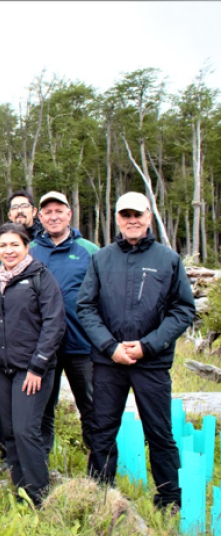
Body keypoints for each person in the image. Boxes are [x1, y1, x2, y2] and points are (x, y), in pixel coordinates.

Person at [77, 192, 194, 510]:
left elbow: (183, 310)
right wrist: (109, 346)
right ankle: (99, 497)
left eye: (138, 214)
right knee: (101, 431)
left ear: (148, 217)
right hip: (108, 361)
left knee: (159, 431)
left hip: (151, 362)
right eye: (125, 214)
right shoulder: (101, 259)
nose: (132, 220)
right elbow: (85, 306)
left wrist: (148, 345)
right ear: (116, 218)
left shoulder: (167, 259)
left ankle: (170, 501)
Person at [0, 223, 65, 505]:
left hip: (31, 371)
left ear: (26, 247)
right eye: (3, 245)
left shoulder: (40, 278)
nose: (8, 250)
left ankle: (39, 495)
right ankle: (20, 489)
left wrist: (38, 366)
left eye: (15, 244)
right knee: (9, 432)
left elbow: (54, 324)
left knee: (26, 431)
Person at [29, 191, 100, 455]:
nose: (54, 216)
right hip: (43, 348)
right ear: (40, 216)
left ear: (69, 214)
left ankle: (102, 470)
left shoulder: (90, 251)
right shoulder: (30, 252)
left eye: (59, 210)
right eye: (48, 211)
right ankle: (40, 470)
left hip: (81, 345)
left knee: (92, 408)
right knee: (43, 409)